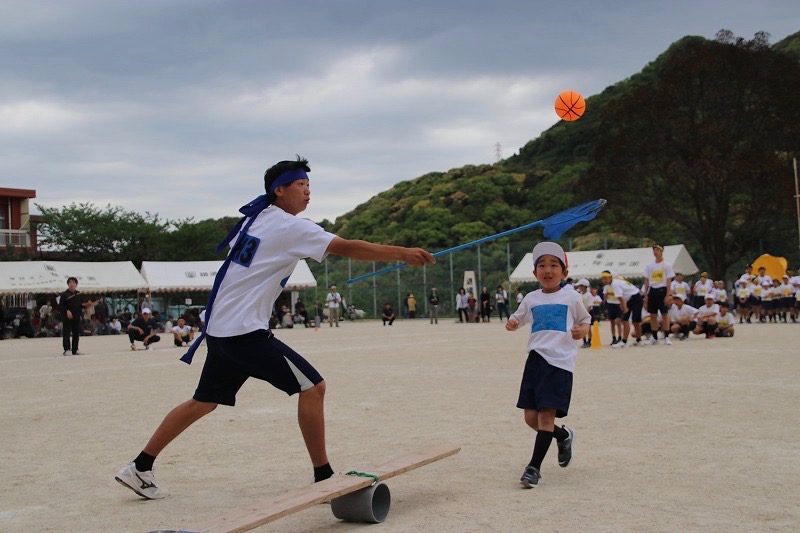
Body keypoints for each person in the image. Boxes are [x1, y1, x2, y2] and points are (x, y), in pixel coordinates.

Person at [115, 156, 435, 500]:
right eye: (301, 185)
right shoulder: (287, 226)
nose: (308, 192)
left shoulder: (259, 219)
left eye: (310, 186)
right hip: (242, 332)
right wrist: (402, 253)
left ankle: (140, 466)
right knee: (313, 388)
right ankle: (324, 477)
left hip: (222, 330)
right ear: (279, 191)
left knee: (204, 401)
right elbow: (346, 247)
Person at [506, 242, 590, 489]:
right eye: (541, 265)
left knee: (544, 418)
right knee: (531, 419)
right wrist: (512, 323)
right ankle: (563, 435)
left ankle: (533, 468)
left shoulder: (572, 296)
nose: (547, 269)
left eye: (554, 265)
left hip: (559, 364)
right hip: (535, 362)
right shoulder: (531, 298)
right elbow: (518, 318)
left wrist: (581, 330)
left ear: (564, 273)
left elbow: (586, 320)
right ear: (534, 274)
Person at [601, 271, 644, 348]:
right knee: (625, 320)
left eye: (606, 278)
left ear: (610, 277)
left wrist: (625, 308)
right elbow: (623, 295)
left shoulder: (615, 284)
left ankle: (638, 340)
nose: (604, 280)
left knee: (635, 321)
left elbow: (620, 297)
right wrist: (624, 305)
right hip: (630, 299)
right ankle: (625, 341)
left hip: (636, 297)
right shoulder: (614, 283)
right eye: (603, 278)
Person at [643, 244, 674, 345]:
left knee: (664, 314)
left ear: (661, 251)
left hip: (662, 290)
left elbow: (669, 281)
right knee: (653, 314)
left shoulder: (667, 265)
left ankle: (666, 336)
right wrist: (646, 295)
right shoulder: (650, 266)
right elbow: (647, 281)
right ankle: (654, 336)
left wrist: (668, 295)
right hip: (653, 290)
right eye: (654, 250)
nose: (655, 252)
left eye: (657, 250)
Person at [58, 276, 83, 356]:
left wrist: (87, 305)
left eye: (73, 282)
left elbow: (81, 305)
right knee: (67, 334)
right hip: (67, 317)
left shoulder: (78, 294)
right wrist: (67, 311)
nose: (72, 284)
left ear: (76, 284)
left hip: (76, 316)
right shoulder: (64, 295)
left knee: (76, 334)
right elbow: (61, 306)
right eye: (70, 282)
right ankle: (67, 349)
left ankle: (75, 349)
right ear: (68, 284)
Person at [575, 279, 593, 348]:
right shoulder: (580, 294)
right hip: (582, 313)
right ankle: (584, 341)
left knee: (588, 328)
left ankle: (589, 341)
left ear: (584, 286)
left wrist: (586, 314)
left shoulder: (589, 295)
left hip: (588, 313)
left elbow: (590, 305)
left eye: (580, 286)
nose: (579, 287)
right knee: (582, 327)